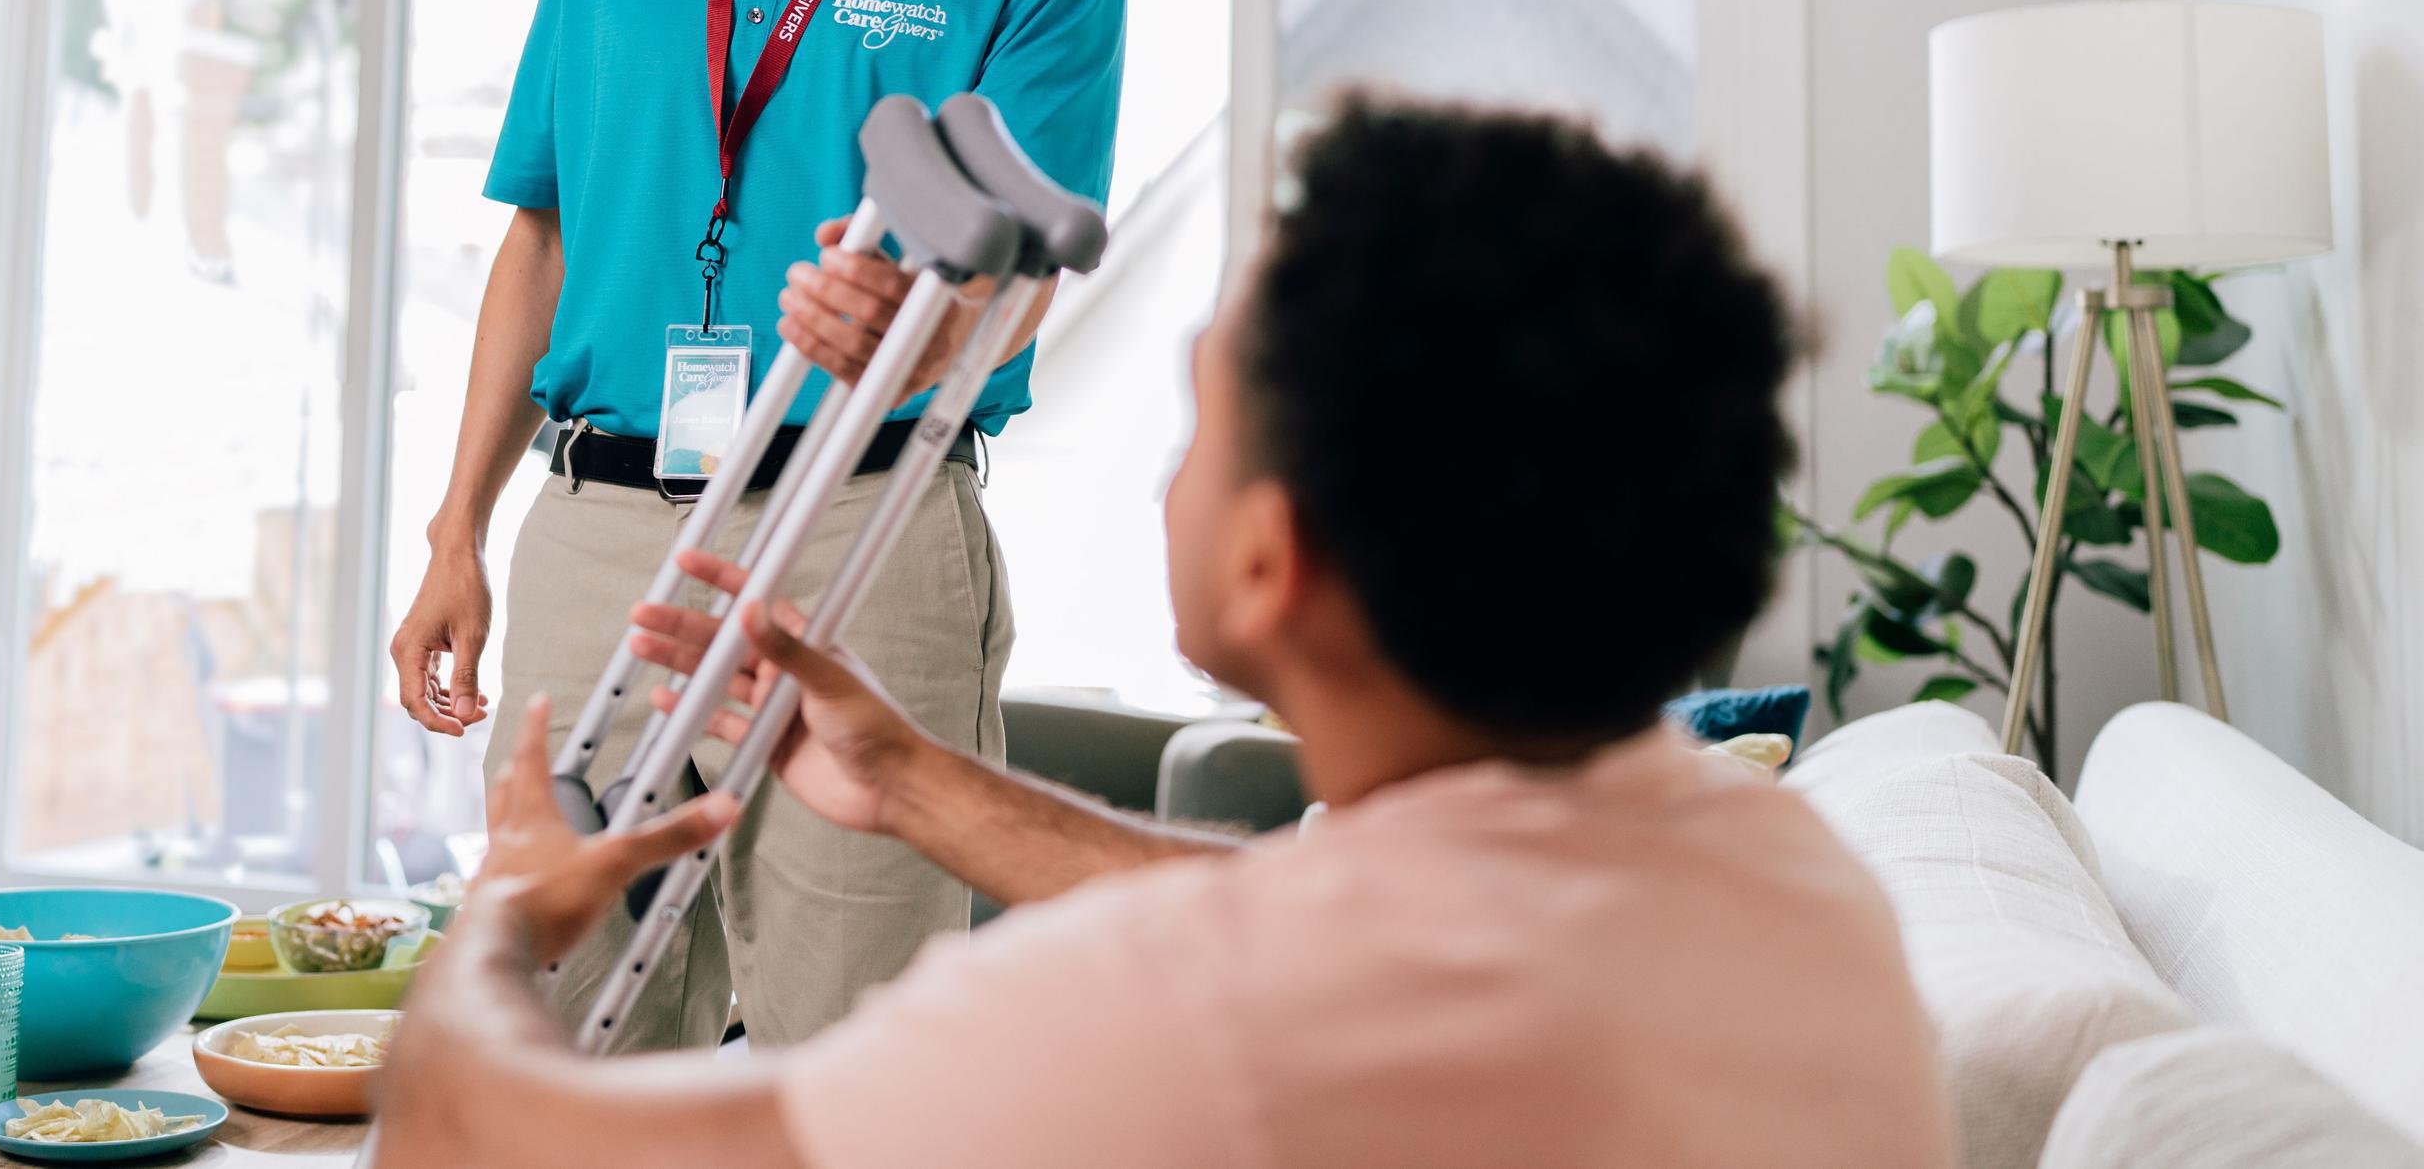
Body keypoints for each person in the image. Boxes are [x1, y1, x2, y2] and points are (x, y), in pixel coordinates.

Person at [375, 98, 1959, 1169]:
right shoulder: (1785, 880)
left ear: (1270, 562)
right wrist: (921, 785)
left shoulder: (1172, 1029)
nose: (1166, 472)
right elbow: (1324, 915)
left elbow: (492, 1130)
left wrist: (509, 917)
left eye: (1196, 415)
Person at [385, 0, 1128, 1050]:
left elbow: (1017, 283)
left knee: (859, 1053)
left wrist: (918, 344)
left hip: (864, 529)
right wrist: (457, 526)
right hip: (594, 537)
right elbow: (545, 236)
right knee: (560, 1033)